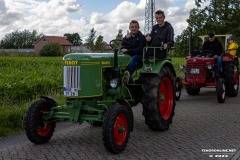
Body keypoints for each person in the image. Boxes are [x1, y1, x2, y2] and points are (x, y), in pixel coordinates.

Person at [121, 20, 146, 84]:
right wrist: (126, 38)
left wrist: (128, 51)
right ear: (129, 28)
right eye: (132, 27)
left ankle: (126, 77)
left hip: (139, 56)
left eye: (135, 27)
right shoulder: (128, 37)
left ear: (138, 28)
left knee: (133, 59)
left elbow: (140, 50)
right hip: (128, 55)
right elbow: (122, 46)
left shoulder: (142, 37)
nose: (134, 28)